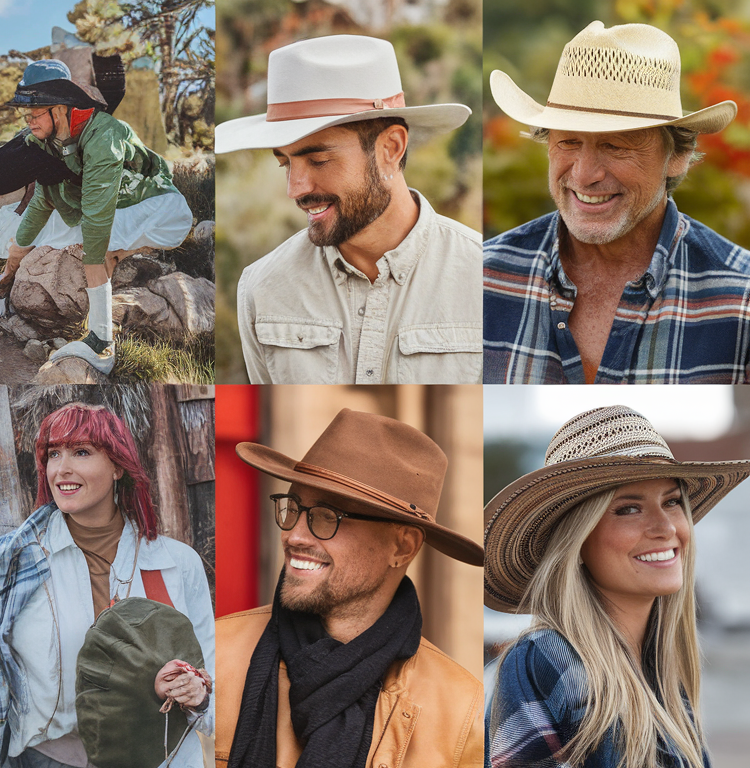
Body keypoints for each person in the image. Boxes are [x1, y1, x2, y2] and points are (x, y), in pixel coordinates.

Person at [483, 22, 750, 384]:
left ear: (678, 156)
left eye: (616, 146)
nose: (584, 175)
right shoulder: (480, 278)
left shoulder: (741, 300)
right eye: (568, 143)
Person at [0, 402, 214, 768]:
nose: (61, 469)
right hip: (47, 760)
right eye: (53, 454)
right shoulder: (10, 566)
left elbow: (216, 685)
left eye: (81, 452)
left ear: (119, 465)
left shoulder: (176, 564)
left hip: (162, 759)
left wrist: (199, 693)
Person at [217, 408, 484, 767]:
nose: (294, 535)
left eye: (327, 516)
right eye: (293, 507)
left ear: (402, 546)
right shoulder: (214, 656)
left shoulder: (463, 709)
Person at [484, 405, 747, 767]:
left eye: (671, 502)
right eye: (628, 509)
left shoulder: (663, 673)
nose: (666, 527)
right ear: (576, 542)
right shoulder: (544, 661)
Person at [217, 35, 481, 385]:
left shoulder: (484, 277)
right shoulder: (262, 288)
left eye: (319, 159)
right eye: (285, 164)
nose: (295, 189)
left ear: (391, 147)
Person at [0, 61, 194, 375]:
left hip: (136, 203)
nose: (28, 119)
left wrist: (99, 256)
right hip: (84, 206)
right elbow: (43, 200)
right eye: (25, 112)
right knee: (15, 238)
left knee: (166, 221)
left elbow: (98, 217)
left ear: (60, 107)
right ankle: (1, 283)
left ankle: (100, 341)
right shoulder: (41, 139)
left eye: (35, 111)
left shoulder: (104, 136)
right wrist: (9, 274)